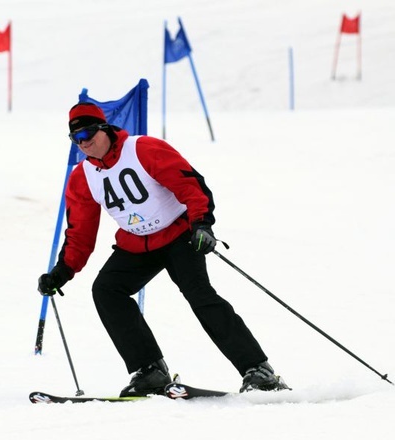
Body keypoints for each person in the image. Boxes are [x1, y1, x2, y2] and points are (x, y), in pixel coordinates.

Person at [37, 102, 288, 396]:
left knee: (199, 294)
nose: (84, 142)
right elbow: (80, 232)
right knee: (107, 290)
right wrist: (62, 271)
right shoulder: (83, 177)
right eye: (76, 138)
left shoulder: (143, 149)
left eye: (89, 132)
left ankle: (258, 370)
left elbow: (191, 186)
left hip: (179, 235)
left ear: (104, 128)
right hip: (136, 244)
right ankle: (150, 370)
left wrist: (202, 224)